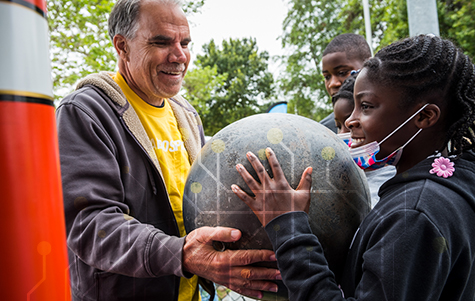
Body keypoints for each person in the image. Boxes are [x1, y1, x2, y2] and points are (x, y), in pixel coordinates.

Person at [56, 0, 280, 300]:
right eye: (162, 42)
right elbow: (91, 225)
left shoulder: (186, 115)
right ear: (122, 46)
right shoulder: (85, 113)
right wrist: (182, 255)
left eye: (185, 42)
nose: (179, 56)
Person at [232, 34, 475, 300]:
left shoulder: (413, 214)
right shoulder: (447, 187)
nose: (350, 122)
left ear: (424, 116)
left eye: (366, 107)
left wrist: (288, 226)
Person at [333, 73, 396, 208]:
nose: (343, 133)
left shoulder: (392, 183)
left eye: (365, 109)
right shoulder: (340, 179)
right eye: (338, 126)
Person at [319, 33, 372, 133]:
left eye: (342, 73)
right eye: (327, 77)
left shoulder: (387, 118)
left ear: (369, 65)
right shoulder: (324, 131)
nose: (332, 84)